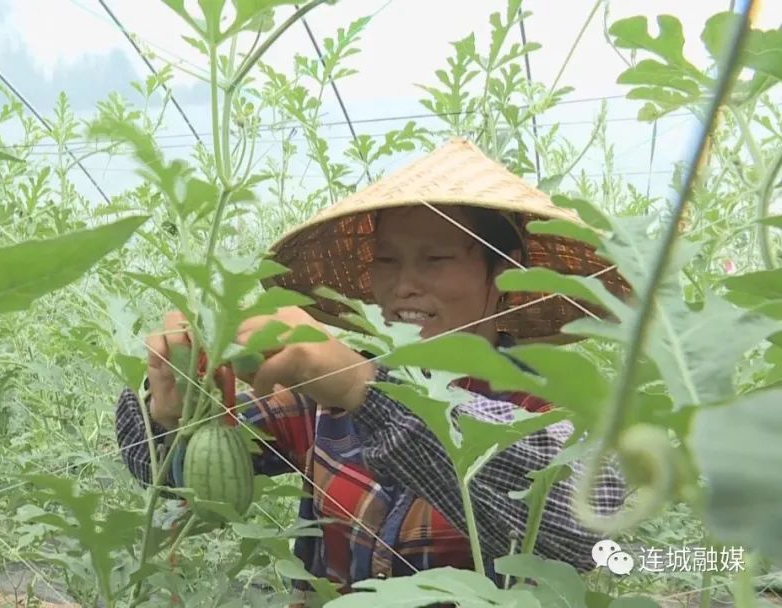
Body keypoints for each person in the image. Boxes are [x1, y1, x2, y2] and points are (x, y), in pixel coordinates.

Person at [114, 138, 630, 601]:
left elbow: (588, 529)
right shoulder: (321, 399)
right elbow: (169, 471)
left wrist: (368, 389)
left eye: (435, 259)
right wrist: (172, 409)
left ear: (505, 272)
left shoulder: (545, 405)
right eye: (386, 261)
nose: (404, 285)